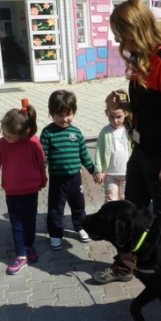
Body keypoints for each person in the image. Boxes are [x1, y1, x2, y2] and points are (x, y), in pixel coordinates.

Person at [93, 0, 161, 284]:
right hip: (142, 148)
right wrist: (123, 105)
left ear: (137, 29)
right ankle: (124, 268)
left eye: (123, 34)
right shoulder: (139, 60)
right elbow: (147, 108)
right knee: (130, 211)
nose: (121, 41)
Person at [0, 102, 47, 275]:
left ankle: (29, 246)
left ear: (25, 132)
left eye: (11, 136)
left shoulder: (33, 142)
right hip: (12, 192)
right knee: (17, 224)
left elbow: (41, 163)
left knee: (30, 221)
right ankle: (21, 255)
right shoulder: (1, 144)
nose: (7, 138)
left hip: (31, 190)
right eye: (4, 133)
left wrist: (42, 179)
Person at [39, 90, 94, 250]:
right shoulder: (48, 133)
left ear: (73, 112)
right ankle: (55, 234)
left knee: (79, 205)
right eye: (59, 115)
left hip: (75, 178)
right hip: (57, 179)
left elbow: (84, 154)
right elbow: (44, 157)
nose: (64, 119)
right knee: (56, 208)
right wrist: (41, 175)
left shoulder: (76, 133)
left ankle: (80, 227)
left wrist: (93, 171)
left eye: (68, 114)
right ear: (51, 114)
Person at [94, 89, 133, 202]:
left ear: (125, 113)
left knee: (126, 200)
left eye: (119, 117)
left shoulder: (129, 129)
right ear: (107, 113)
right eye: (111, 117)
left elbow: (134, 148)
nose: (115, 120)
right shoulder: (105, 132)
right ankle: (111, 220)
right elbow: (99, 151)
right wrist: (98, 170)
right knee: (111, 200)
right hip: (110, 174)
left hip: (127, 173)